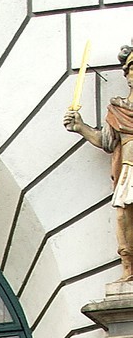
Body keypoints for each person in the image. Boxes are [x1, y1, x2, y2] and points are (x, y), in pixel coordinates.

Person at [64, 44, 133, 281]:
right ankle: (128, 268)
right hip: (129, 171)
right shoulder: (119, 108)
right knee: (123, 216)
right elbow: (106, 141)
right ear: (127, 73)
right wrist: (81, 127)